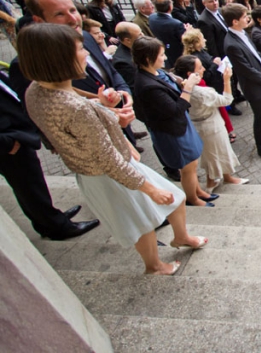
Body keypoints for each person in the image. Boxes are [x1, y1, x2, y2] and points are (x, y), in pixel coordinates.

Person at [20, 24, 205, 276]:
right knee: (142, 221)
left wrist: (106, 110)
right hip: (111, 174)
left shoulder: (36, 89)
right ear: (59, 58)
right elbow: (107, 159)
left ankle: (180, 237)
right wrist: (150, 189)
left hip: (105, 166)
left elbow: (76, 119)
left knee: (174, 199)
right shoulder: (74, 108)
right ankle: (155, 266)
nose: (87, 54)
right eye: (80, 49)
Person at [0, 63, 100, 241]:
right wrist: (7, 143)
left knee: (31, 183)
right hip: (9, 143)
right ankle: (56, 227)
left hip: (18, 133)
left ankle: (49, 217)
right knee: (27, 185)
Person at [132, 37, 213, 207]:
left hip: (181, 126)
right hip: (173, 131)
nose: (165, 58)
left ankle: (198, 191)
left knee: (193, 163)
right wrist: (188, 87)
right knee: (188, 168)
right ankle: (193, 198)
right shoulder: (147, 86)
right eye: (161, 55)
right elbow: (176, 108)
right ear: (148, 59)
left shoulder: (157, 72)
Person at [222, 4, 261, 163]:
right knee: (260, 118)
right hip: (254, 86)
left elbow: (257, 55)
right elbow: (246, 69)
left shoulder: (243, 33)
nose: (248, 19)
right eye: (245, 17)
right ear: (235, 21)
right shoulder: (231, 43)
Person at [172, 56, 246, 192]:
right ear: (190, 74)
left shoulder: (181, 86)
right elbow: (227, 99)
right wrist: (226, 79)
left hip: (199, 125)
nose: (204, 69)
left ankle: (227, 177)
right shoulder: (201, 92)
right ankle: (211, 182)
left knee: (215, 152)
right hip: (211, 126)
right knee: (214, 154)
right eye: (200, 67)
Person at [148, 0, 186, 69]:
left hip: (166, 51)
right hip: (178, 53)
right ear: (170, 7)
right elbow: (184, 40)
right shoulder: (176, 24)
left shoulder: (152, 17)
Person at [112, 22, 143, 91]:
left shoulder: (135, 47)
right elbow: (135, 87)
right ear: (128, 40)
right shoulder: (122, 63)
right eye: (139, 35)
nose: (143, 36)